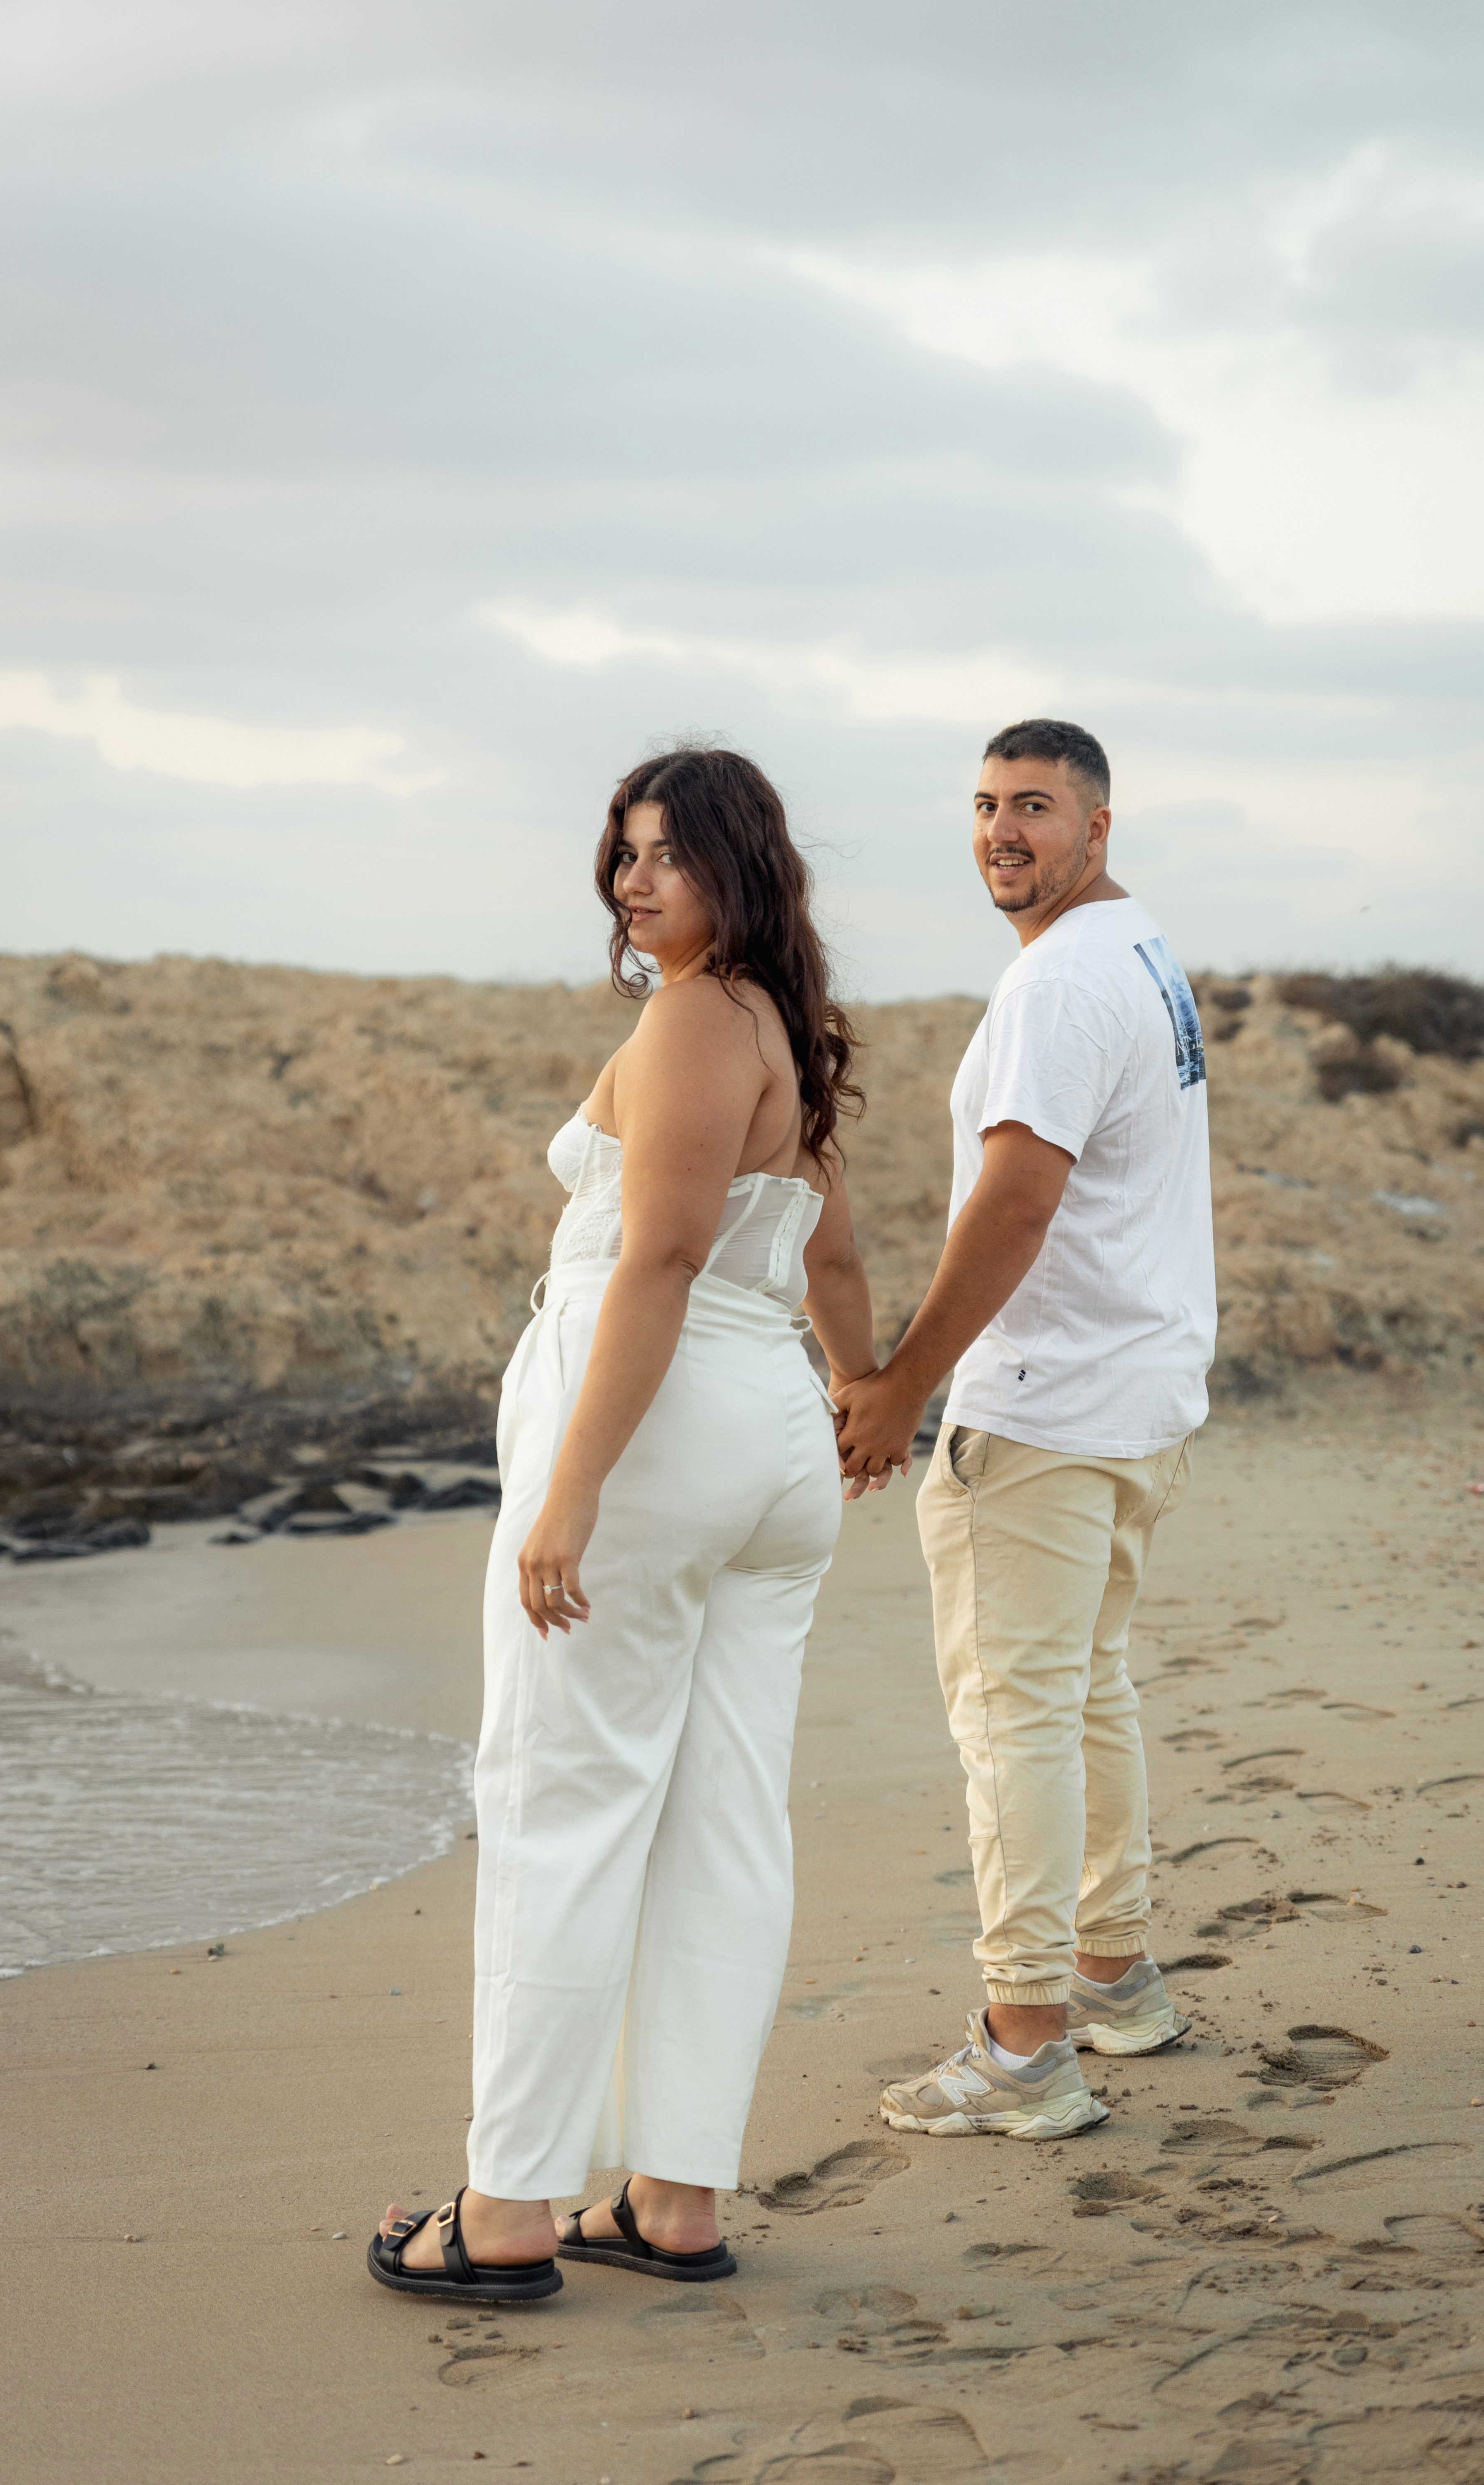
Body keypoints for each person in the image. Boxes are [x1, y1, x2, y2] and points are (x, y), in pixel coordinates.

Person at [371, 746, 894, 2302]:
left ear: (740, 865)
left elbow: (658, 1261)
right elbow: (835, 1258)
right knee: (721, 1819)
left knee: (562, 1797)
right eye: (624, 852)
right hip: (769, 1444)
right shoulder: (782, 1032)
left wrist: (572, 1490)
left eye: (667, 852)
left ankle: (511, 2206)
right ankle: (673, 2197)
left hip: (660, 1436)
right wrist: (864, 1395)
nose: (632, 879)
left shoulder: (688, 1022)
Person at [834, 718, 1214, 2143]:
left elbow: (1018, 1201)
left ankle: (1024, 2048)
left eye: (1036, 806)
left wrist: (905, 1382)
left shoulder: (1059, 986)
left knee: (1015, 1724)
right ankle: (1113, 1981)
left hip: (1051, 1411)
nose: (1003, 829)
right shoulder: (1140, 952)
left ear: (1098, 827)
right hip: (1137, 1396)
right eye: (988, 803)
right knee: (1083, 1695)